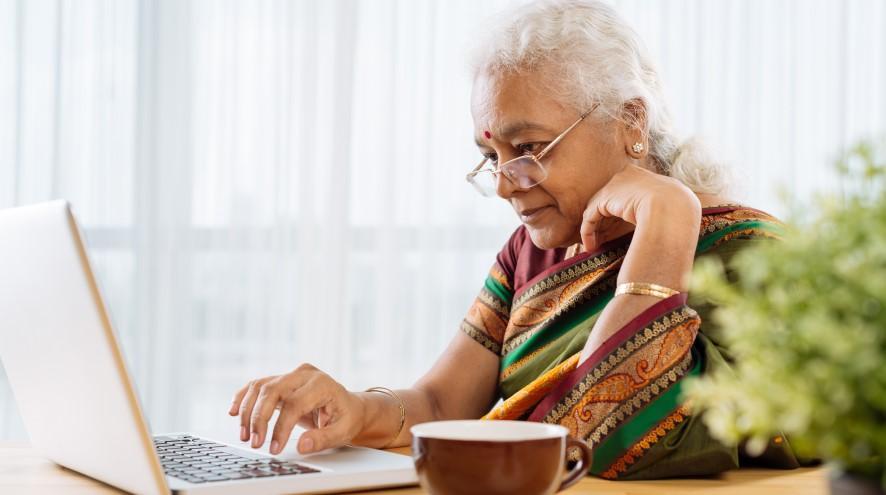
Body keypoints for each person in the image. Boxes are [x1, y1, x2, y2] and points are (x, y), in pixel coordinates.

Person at [228, 0, 807, 479]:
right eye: (490, 157)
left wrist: (667, 217)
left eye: (528, 149)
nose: (506, 185)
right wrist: (355, 410)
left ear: (631, 122)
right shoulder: (532, 249)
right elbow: (440, 405)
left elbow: (606, 441)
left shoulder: (748, 255)